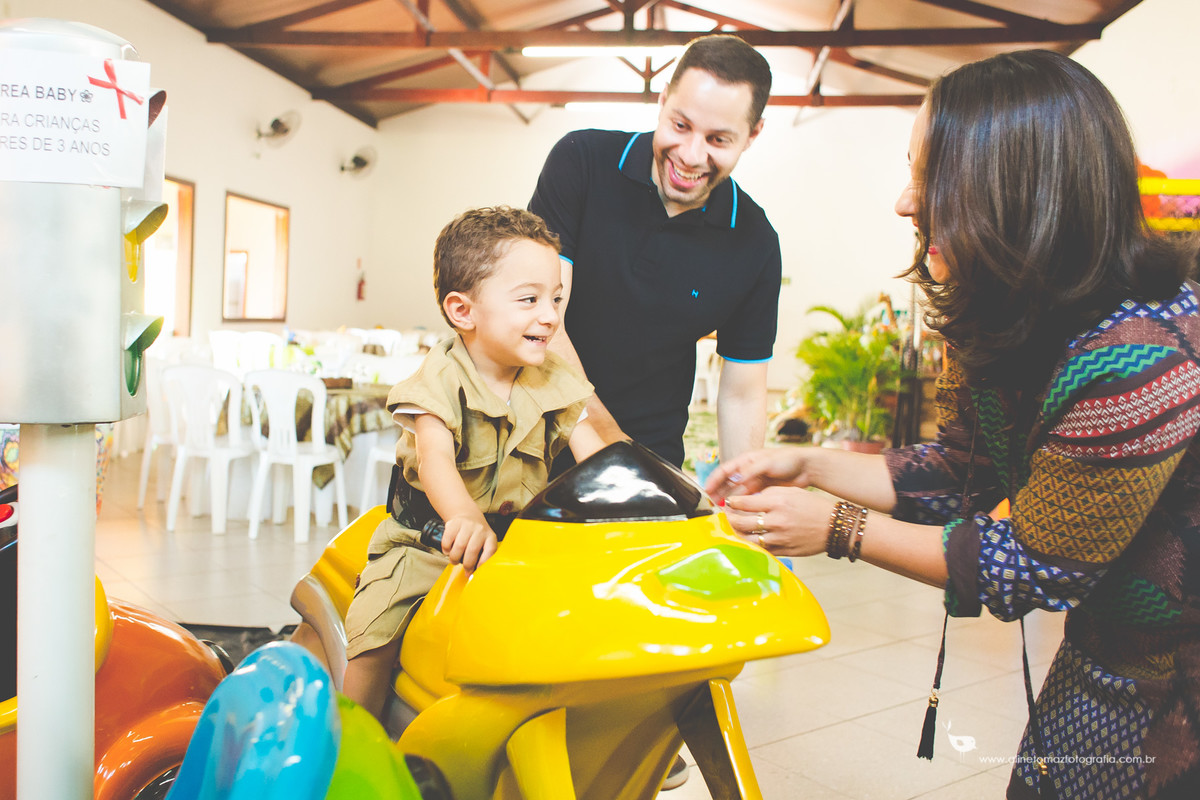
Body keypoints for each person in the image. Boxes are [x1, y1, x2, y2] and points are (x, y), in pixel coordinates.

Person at [706, 50, 1200, 799]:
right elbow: (965, 467)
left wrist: (839, 527)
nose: (907, 202)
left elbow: (1036, 563)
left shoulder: (1141, 360)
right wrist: (807, 465)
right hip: (1109, 647)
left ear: (1017, 192)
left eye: (929, 177)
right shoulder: (1012, 308)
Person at [341, 206, 606, 721]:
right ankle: (349, 737)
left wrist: (627, 498)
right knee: (375, 636)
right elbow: (433, 454)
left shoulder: (551, 375)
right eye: (529, 300)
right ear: (463, 312)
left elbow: (592, 445)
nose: (550, 315)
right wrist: (462, 515)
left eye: (555, 299)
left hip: (517, 544)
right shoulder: (441, 378)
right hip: (431, 542)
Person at [529, 33, 781, 472]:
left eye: (719, 140)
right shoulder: (582, 162)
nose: (690, 155)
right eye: (680, 126)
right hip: (528, 445)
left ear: (753, 134)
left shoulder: (755, 242)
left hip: (650, 458)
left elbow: (742, 392)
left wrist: (743, 496)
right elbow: (544, 321)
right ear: (663, 100)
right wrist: (613, 449)